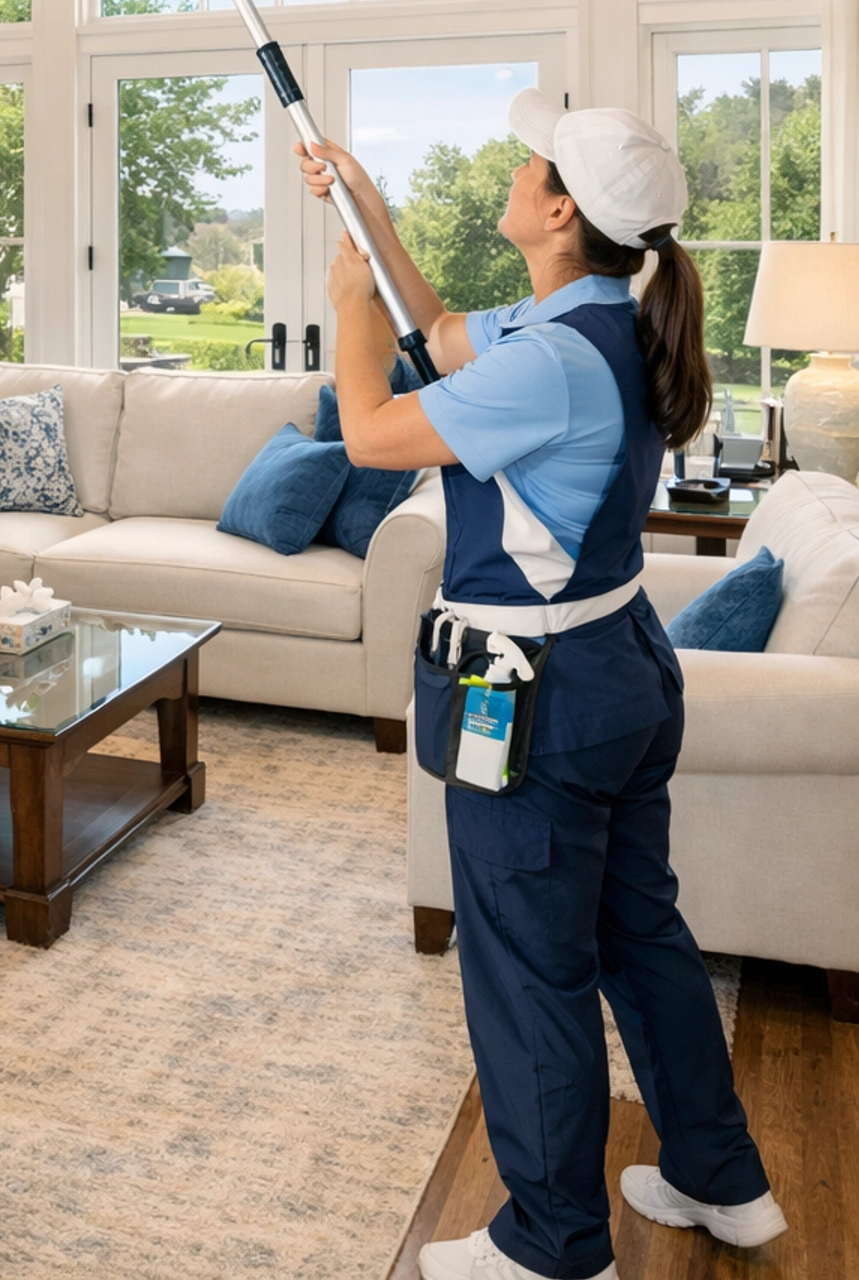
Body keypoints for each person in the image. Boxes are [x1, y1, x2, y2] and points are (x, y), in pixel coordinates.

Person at [298, 92, 784, 1280]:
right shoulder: (592, 320)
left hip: (540, 698)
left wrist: (347, 306)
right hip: (619, 673)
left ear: (560, 210)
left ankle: (556, 1246)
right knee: (637, 935)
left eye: (531, 164)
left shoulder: (558, 364)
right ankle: (722, 1180)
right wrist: (371, 218)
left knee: (526, 966)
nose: (515, 170)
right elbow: (450, 327)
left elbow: (367, 432)